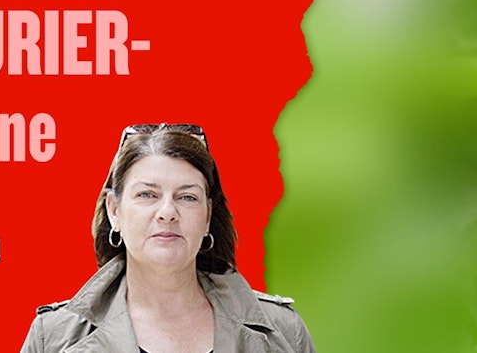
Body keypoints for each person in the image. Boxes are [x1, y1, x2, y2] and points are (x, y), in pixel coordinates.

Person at [22, 123, 314, 352]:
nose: (167, 212)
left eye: (187, 197)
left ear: (207, 216)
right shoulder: (54, 338)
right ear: (114, 211)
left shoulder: (283, 333)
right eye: (147, 194)